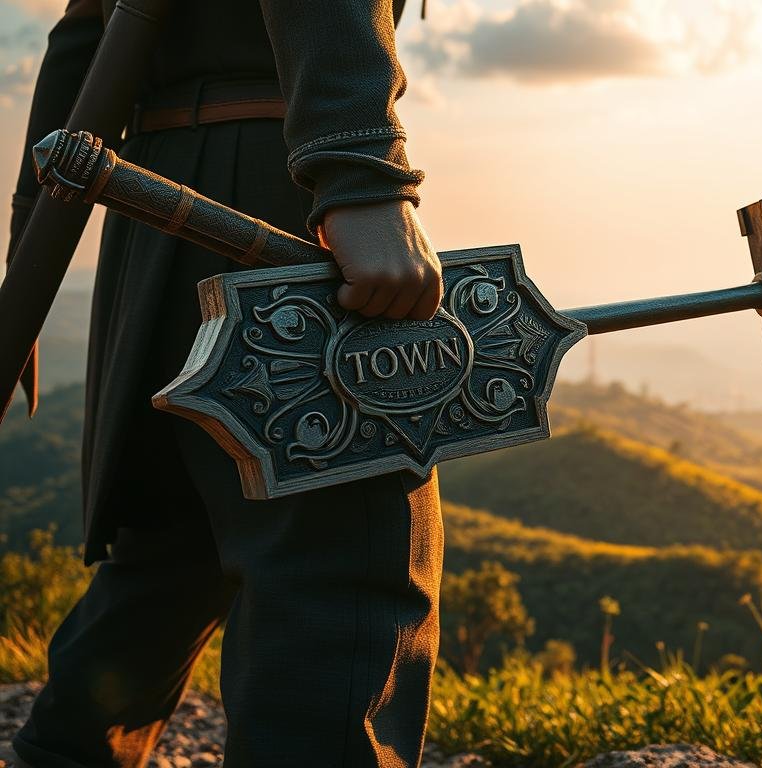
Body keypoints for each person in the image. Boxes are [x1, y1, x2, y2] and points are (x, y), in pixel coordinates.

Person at [4, 0, 446, 764]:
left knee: (172, 545)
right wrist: (361, 170)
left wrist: (31, 239)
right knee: (341, 566)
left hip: (145, 210)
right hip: (275, 198)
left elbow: (82, 34)